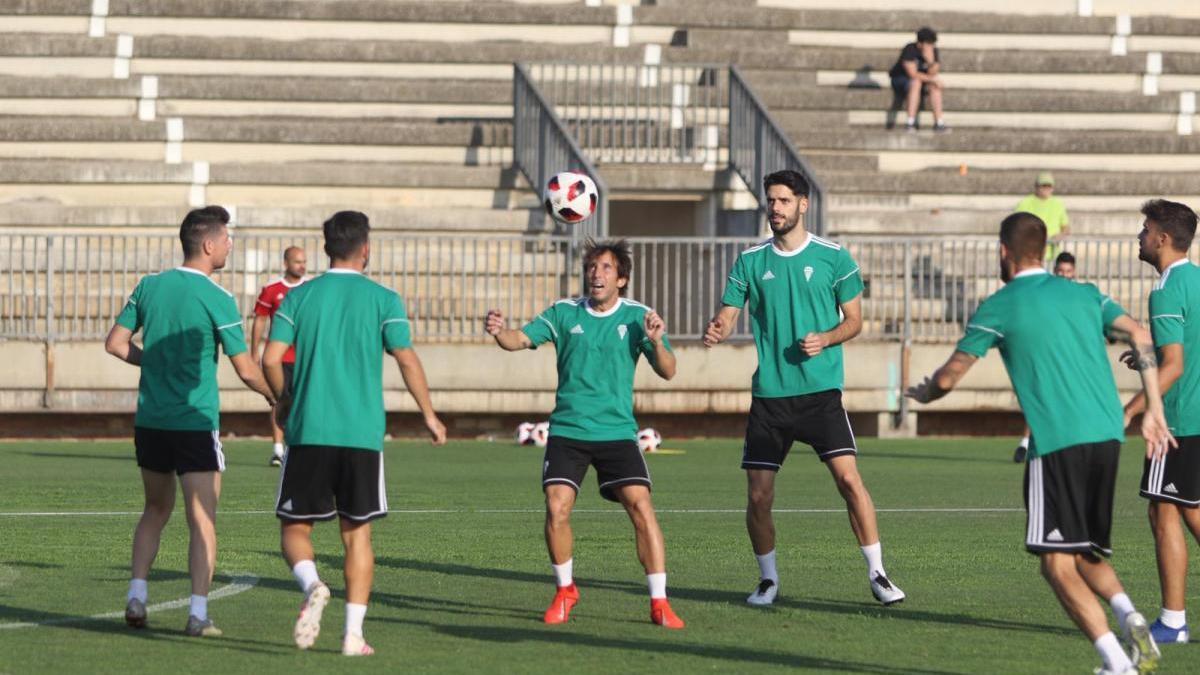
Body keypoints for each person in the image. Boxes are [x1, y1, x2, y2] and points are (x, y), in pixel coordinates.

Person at [905, 211, 1172, 675]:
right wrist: (1154, 409)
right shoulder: (1085, 294)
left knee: (1055, 565)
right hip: (1108, 435)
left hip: (1057, 441)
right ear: (1045, 251)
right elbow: (1141, 335)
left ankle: (1117, 663)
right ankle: (1130, 618)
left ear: (1003, 251)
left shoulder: (1000, 304)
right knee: (1084, 553)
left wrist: (925, 392)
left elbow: (950, 375)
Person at [703, 169, 905, 608]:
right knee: (758, 495)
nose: (774, 208)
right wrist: (718, 327)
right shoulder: (751, 261)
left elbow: (855, 321)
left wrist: (826, 337)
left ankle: (878, 573)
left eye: (782, 201)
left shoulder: (834, 257)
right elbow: (730, 312)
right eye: (770, 201)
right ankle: (767, 580)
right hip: (771, 397)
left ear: (803, 205)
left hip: (820, 394)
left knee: (850, 481)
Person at [263, 211, 447, 656]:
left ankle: (312, 584)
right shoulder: (384, 298)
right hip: (362, 435)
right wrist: (428, 414)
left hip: (309, 431)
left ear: (325, 249)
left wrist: (284, 402)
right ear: (366, 248)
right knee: (357, 535)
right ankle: (353, 635)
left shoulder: (300, 297)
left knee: (294, 527)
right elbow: (405, 357)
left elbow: (270, 359)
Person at [484, 238, 686, 629]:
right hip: (569, 430)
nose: (597, 274)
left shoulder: (638, 317)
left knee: (641, 508)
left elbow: (669, 370)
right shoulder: (563, 312)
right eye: (593, 267)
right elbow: (519, 340)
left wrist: (658, 341)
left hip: (616, 433)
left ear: (622, 278)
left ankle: (660, 602)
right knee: (556, 507)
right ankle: (565, 590)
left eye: (607, 268)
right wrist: (499, 331)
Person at [105, 205, 275, 637]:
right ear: (208, 244)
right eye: (227, 239)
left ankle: (136, 596)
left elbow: (116, 344)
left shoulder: (150, 286)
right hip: (195, 421)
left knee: (154, 509)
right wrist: (280, 397)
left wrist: (154, 363)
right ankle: (198, 613)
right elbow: (246, 369)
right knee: (203, 518)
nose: (230, 245)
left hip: (152, 420)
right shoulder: (217, 298)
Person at [1119, 199, 1200, 646]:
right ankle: (1173, 620)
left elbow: (1174, 367)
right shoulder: (1197, 281)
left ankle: (1173, 622)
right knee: (1176, 508)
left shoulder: (1167, 289)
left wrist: (1130, 411)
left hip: (1180, 421)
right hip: (1194, 415)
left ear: (1163, 239)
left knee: (1170, 510)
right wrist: (1146, 361)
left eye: (1145, 229)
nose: (1140, 236)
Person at [1013, 250, 1077, 463]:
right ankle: (1025, 441)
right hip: (1046, 355)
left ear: (1074, 273)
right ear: (1055, 271)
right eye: (1061, 271)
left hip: (1069, 358)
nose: (1064, 275)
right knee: (1039, 398)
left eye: (1068, 271)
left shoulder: (1079, 297)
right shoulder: (1045, 293)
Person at [252, 246, 308, 467]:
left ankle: (300, 446)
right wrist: (254, 350)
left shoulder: (310, 288)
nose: (302, 266)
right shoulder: (272, 289)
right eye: (297, 262)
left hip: (304, 356)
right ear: (286, 263)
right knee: (278, 400)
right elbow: (260, 320)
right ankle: (277, 449)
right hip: (280, 358)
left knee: (303, 401)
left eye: (304, 261)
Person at [888, 26, 946, 133]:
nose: (931, 46)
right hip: (901, 79)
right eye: (928, 43)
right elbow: (912, 73)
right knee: (916, 83)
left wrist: (930, 61)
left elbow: (933, 73)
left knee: (935, 86)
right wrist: (932, 79)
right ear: (920, 43)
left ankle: (939, 122)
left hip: (921, 80)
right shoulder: (910, 49)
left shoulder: (933, 51)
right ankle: (910, 122)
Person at [1016, 172, 1070, 261]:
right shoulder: (1024, 203)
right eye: (1043, 186)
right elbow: (1016, 225)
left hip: (1052, 254)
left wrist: (1060, 235)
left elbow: (1066, 227)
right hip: (1030, 254)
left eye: (1049, 186)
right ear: (1036, 187)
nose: (1046, 189)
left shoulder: (1058, 204)